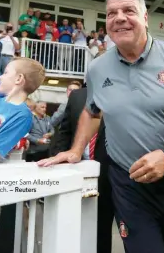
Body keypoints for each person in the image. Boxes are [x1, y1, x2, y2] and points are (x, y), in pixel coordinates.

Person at [39, 0, 164, 253]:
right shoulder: (98, 67)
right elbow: (91, 110)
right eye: (112, 13)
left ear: (145, 18)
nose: (119, 17)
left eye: (128, 10)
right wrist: (76, 150)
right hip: (128, 183)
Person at [50, 78, 114, 253]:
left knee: (102, 225)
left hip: (109, 174)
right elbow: (64, 132)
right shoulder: (78, 96)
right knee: (71, 224)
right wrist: (59, 163)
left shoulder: (123, 94)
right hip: (76, 171)